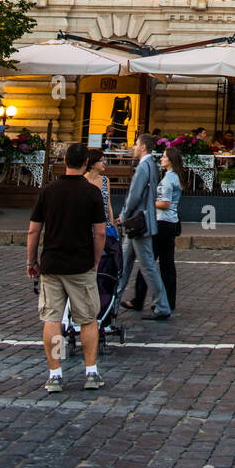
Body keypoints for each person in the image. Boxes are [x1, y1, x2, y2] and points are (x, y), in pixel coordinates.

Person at [27, 141, 106, 393]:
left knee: (52, 319)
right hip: (81, 264)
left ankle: (55, 374)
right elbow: (100, 233)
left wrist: (32, 261)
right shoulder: (91, 192)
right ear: (86, 163)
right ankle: (91, 372)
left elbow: (33, 230)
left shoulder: (48, 190)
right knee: (87, 320)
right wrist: (95, 261)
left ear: (65, 162)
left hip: (51, 264)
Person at [116, 134, 171, 320]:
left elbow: (134, 196)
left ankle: (162, 305)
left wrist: (123, 215)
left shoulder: (143, 167)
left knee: (147, 266)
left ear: (144, 148)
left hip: (138, 224)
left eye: (136, 144)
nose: (134, 147)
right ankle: (112, 303)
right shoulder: (152, 166)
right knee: (122, 264)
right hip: (140, 223)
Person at [127, 146, 183, 312]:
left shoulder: (168, 180)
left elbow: (165, 203)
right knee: (167, 265)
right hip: (171, 223)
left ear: (170, 160)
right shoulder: (174, 177)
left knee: (147, 262)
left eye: (164, 157)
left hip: (162, 222)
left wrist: (149, 202)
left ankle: (139, 298)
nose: (161, 159)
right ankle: (169, 300)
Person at [84, 149, 116, 233]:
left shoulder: (105, 180)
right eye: (101, 160)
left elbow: (108, 204)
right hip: (86, 226)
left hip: (105, 225)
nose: (104, 162)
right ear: (92, 164)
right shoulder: (82, 181)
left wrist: (112, 223)